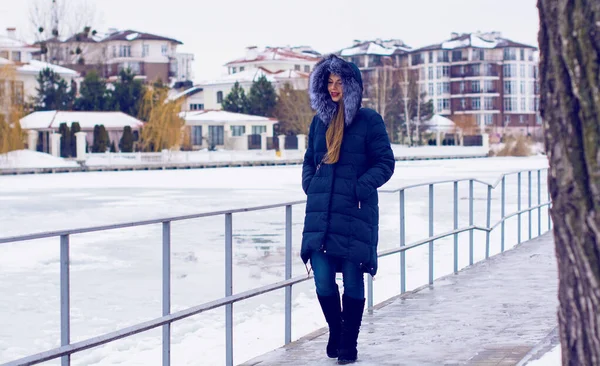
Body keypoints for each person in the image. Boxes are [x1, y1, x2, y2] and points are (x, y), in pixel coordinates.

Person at [300, 54, 395, 364]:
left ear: (352, 86)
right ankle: (336, 330)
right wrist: (312, 186)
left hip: (355, 214)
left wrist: (360, 187)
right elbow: (308, 161)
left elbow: (385, 163)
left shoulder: (369, 121)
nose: (334, 87)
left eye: (340, 82)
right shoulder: (319, 122)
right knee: (323, 280)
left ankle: (348, 344)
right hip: (322, 215)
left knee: (353, 281)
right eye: (329, 82)